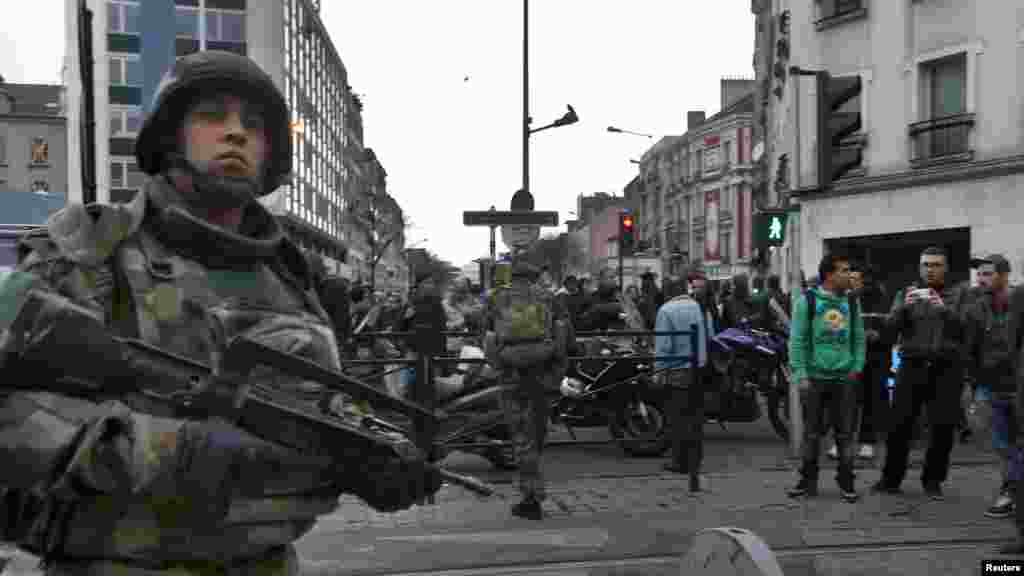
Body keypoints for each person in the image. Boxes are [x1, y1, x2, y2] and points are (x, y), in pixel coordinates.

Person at [0, 51, 440, 575]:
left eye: (253, 125)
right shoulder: (91, 249)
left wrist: (372, 455)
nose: (235, 134)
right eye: (212, 116)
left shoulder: (296, 278)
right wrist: (175, 453)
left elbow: (320, 406)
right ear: (170, 137)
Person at [486, 192, 569, 521]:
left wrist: (500, 365)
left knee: (520, 438)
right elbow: (565, 338)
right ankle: (533, 493)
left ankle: (531, 497)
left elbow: (488, 337)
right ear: (536, 273)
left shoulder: (498, 298)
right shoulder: (550, 298)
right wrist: (555, 373)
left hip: (511, 376)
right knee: (536, 435)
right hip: (541, 375)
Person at [873, 246, 969, 500]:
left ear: (945, 268)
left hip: (946, 366)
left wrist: (944, 309)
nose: (930, 270)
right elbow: (889, 331)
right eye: (926, 265)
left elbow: (966, 331)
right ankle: (890, 479)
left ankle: (933, 481)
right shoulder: (906, 293)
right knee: (899, 426)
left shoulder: (960, 294)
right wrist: (903, 308)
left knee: (942, 428)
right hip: (912, 364)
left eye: (936, 265)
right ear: (919, 267)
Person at [786, 251, 865, 503]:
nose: (849, 275)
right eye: (844, 270)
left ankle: (846, 481)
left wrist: (856, 367)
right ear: (829, 275)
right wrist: (801, 375)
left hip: (844, 378)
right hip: (814, 379)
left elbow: (859, 338)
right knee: (811, 434)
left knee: (845, 434)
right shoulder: (807, 302)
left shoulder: (852, 302)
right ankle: (807, 481)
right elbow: (796, 341)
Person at [963, 255, 1023, 519]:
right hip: (991, 385)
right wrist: (973, 385)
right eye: (980, 274)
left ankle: (1012, 492)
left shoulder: (1020, 301)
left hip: (1019, 385)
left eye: (987, 274)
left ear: (1004, 274)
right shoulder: (975, 308)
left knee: (1017, 444)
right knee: (1001, 444)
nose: (980, 279)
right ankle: (1011, 490)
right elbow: (969, 349)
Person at [657, 276, 710, 477]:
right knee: (695, 417)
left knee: (677, 418)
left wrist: (659, 372)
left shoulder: (665, 311)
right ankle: (695, 460)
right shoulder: (695, 306)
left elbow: (664, 346)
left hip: (678, 369)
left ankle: (680, 461)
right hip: (697, 368)